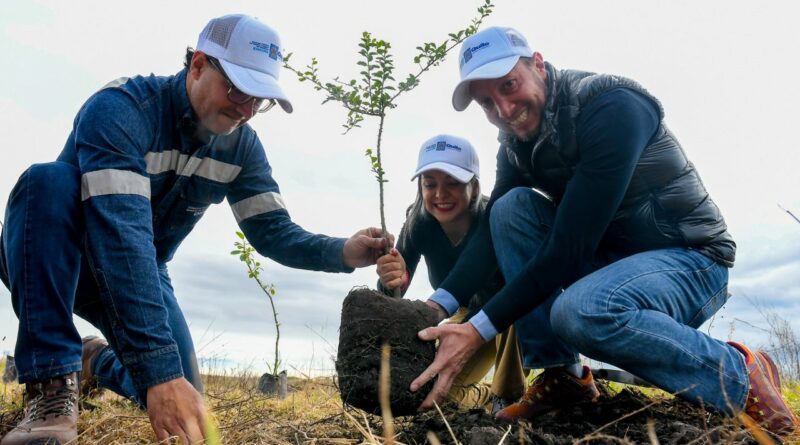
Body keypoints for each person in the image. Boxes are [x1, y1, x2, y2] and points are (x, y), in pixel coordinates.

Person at [0, 14, 388, 445]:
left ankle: (95, 361)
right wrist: (158, 368)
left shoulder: (242, 147)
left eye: (260, 100)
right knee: (47, 182)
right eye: (238, 90)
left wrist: (343, 252)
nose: (246, 110)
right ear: (198, 64)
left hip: (145, 270)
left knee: (183, 396)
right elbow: (122, 237)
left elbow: (273, 230)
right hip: (58, 261)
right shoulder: (120, 110)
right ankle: (52, 388)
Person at [408, 26, 798, 436]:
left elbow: (568, 249)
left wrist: (476, 330)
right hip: (611, 264)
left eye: (509, 85)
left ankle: (740, 375)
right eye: (487, 102)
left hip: (692, 260)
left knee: (580, 311)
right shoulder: (515, 146)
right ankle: (564, 377)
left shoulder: (612, 105)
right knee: (508, 209)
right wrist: (436, 307)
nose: (504, 109)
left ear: (537, 64)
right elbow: (490, 234)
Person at [375, 134, 525, 413]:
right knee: (438, 398)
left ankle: (507, 395)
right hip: (467, 315)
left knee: (514, 309)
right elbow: (397, 287)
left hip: (513, 318)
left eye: (453, 183)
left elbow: (524, 289)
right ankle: (485, 396)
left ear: (475, 187)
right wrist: (389, 278)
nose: (440, 195)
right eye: (430, 184)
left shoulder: (496, 217)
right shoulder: (418, 224)